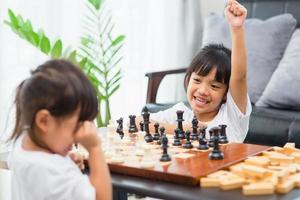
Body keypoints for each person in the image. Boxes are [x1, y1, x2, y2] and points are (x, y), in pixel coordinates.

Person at [8, 59, 112, 200]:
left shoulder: (22, 143)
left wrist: (64, 162)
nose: (78, 137)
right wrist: (95, 149)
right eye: (77, 126)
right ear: (44, 121)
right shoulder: (56, 174)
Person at [149, 0, 251, 142]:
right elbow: (135, 122)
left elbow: (240, 76)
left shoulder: (231, 117)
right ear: (188, 78)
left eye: (214, 86)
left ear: (226, 94)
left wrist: (237, 27)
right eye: (197, 80)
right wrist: (181, 129)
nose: (203, 91)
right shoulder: (180, 113)